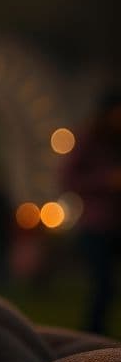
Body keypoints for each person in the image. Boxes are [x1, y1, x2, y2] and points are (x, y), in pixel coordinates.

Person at [63, 88, 121, 336]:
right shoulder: (88, 140)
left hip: (117, 223)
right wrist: (105, 181)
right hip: (96, 226)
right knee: (103, 285)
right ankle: (93, 335)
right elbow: (68, 178)